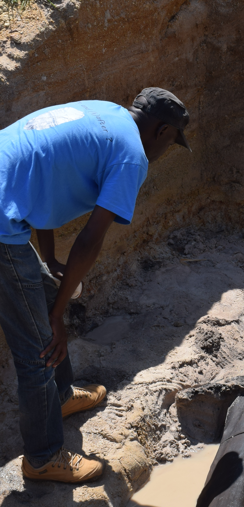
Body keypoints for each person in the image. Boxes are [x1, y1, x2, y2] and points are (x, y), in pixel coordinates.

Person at [0, 87, 191, 483]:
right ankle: (42, 457)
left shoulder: (105, 113)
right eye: (172, 140)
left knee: (49, 285)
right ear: (159, 130)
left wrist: (49, 260)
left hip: (7, 194)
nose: (168, 149)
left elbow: (42, 181)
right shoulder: (131, 156)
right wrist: (56, 319)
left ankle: (62, 395)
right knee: (39, 347)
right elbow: (90, 240)